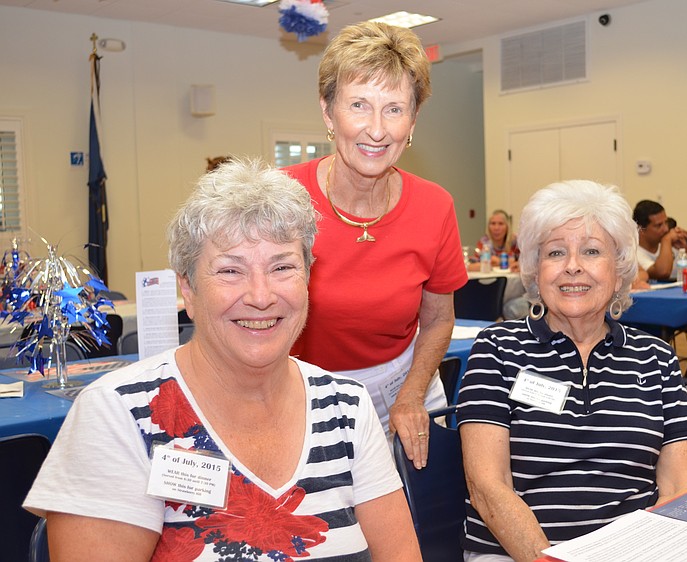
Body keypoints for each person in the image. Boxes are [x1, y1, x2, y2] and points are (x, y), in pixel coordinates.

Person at [24, 158, 422, 561]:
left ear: (307, 279)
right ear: (189, 291)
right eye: (230, 271)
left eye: (282, 266)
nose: (260, 295)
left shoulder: (347, 408)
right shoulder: (118, 413)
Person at [457, 180, 687, 562]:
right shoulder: (497, 349)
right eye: (556, 252)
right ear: (537, 270)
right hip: (516, 551)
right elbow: (488, 487)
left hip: (635, 551)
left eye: (591, 251)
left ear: (620, 270)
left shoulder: (655, 356)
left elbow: (681, 486)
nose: (573, 266)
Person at [283, 21, 467, 469]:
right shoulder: (282, 199)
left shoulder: (435, 205)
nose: (377, 129)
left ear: (413, 121)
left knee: (419, 527)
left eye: (394, 109)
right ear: (329, 113)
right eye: (359, 105)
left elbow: (440, 320)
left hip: (405, 387)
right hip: (303, 392)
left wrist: (411, 395)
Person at [633, 199, 687, 280]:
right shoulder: (633, 252)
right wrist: (666, 240)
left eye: (666, 222)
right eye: (659, 225)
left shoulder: (671, 243)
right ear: (641, 229)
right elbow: (662, 273)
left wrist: (686, 249)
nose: (666, 229)